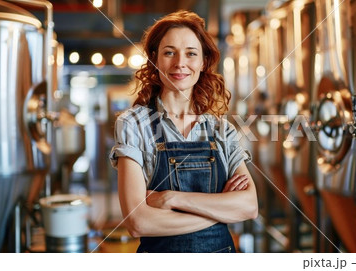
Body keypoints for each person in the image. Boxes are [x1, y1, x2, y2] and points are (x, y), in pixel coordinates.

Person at [109, 10, 258, 253]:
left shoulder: (222, 130)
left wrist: (171, 199)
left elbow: (250, 206)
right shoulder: (134, 124)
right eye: (169, 53)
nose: (180, 63)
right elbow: (138, 222)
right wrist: (219, 213)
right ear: (155, 59)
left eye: (191, 53)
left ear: (203, 61)